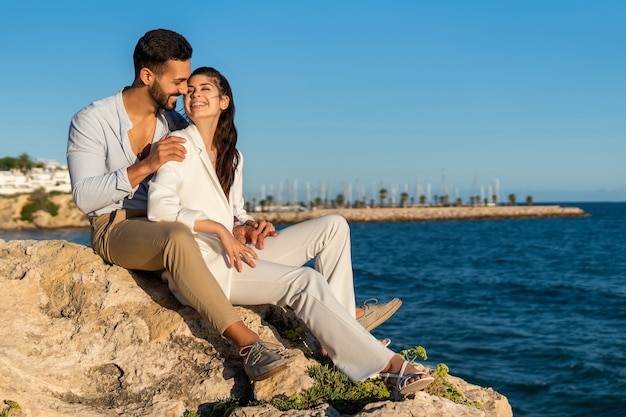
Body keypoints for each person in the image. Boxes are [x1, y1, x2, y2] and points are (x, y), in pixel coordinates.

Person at [66, 29, 401, 382]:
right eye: (179, 82)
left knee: (332, 225)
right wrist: (145, 166)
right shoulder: (92, 120)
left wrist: (243, 224)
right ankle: (248, 344)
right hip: (118, 225)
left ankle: (343, 325)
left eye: (192, 85)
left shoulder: (177, 124)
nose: (185, 91)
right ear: (147, 76)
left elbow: (209, 191)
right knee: (176, 236)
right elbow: (85, 197)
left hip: (192, 237)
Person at [147, 66, 434, 397]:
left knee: (334, 226)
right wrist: (218, 230)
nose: (194, 94)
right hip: (204, 267)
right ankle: (390, 367)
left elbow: (235, 212)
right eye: (191, 90)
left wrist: (249, 225)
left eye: (204, 89)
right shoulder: (178, 144)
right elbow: (160, 208)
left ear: (224, 101)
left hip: (235, 252)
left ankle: (338, 339)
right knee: (306, 282)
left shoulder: (233, 156)